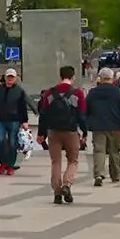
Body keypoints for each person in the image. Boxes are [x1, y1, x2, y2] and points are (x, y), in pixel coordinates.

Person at [36, 65, 87, 205]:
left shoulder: (49, 93)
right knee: (73, 160)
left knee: (56, 162)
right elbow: (82, 115)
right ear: (73, 77)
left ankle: (57, 193)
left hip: (53, 131)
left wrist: (41, 133)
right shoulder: (78, 93)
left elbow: (43, 115)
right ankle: (67, 184)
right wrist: (85, 132)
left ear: (60, 76)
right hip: (71, 131)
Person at [86, 69, 120, 187]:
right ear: (112, 78)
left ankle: (99, 174)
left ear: (100, 78)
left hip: (98, 126)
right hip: (115, 126)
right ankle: (115, 174)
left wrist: (86, 124)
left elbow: (86, 109)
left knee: (99, 150)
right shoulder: (118, 92)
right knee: (114, 151)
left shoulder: (93, 92)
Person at [0, 69, 30, 176]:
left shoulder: (19, 91)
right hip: (0, 119)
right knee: (0, 141)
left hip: (14, 120)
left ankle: (10, 164)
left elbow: (22, 107)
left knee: (12, 142)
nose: (10, 79)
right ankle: (3, 163)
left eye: (12, 77)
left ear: (15, 78)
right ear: (5, 78)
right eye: (8, 77)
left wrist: (24, 121)